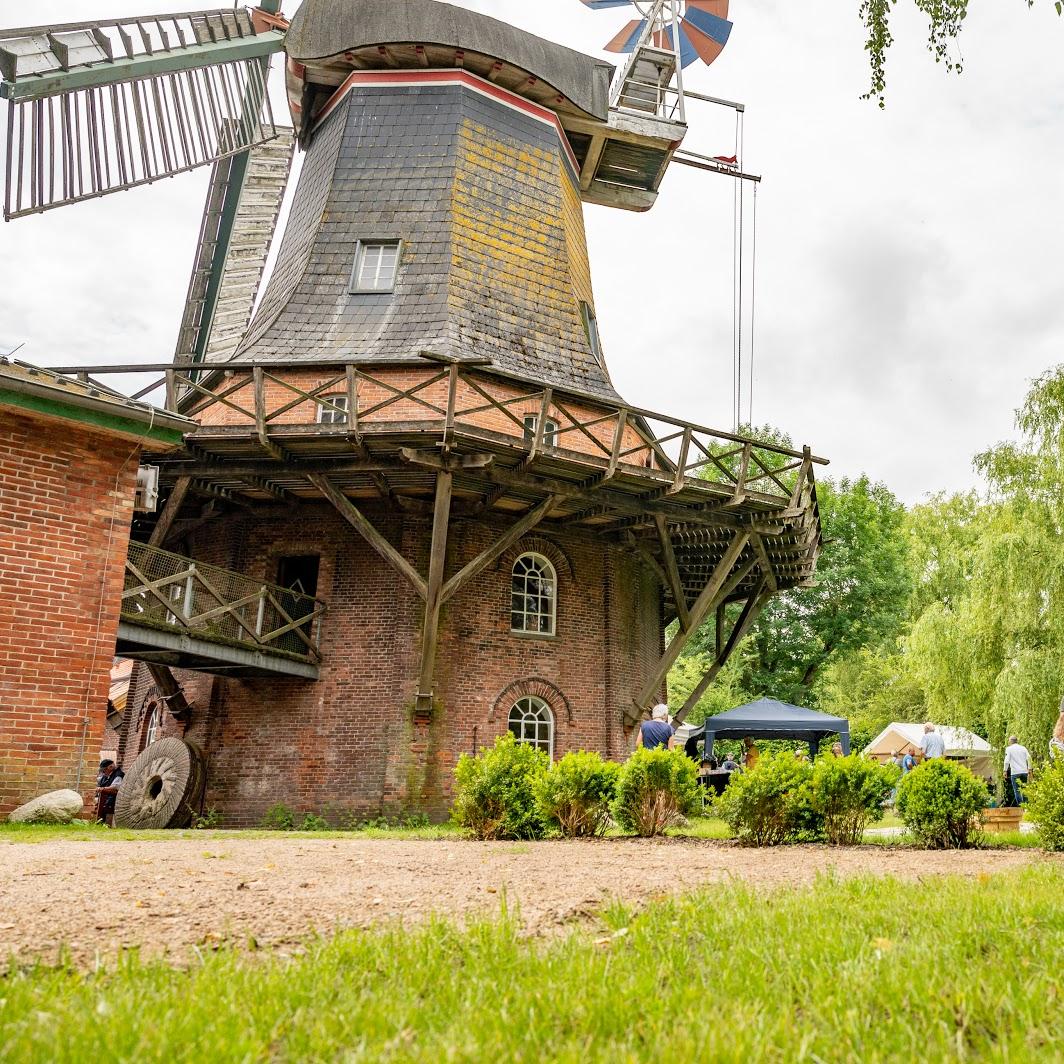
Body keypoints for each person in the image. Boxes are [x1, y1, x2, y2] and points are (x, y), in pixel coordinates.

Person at [1003, 735, 1032, 806]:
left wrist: (1005, 770)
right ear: (1016, 741)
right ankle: (1026, 807)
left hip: (1015, 773)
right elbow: (1029, 758)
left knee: (1017, 791)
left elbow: (1006, 761)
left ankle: (1021, 806)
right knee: (1024, 789)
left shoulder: (1009, 749)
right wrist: (1029, 768)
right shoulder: (1023, 748)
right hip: (1024, 772)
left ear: (1010, 741)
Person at [95, 759, 124, 827]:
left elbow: (115, 787)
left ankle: (107, 825)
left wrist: (102, 789)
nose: (103, 772)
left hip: (112, 801)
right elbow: (99, 781)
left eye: (104, 770)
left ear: (110, 767)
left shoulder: (118, 775)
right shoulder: (106, 775)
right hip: (104, 801)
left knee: (108, 821)